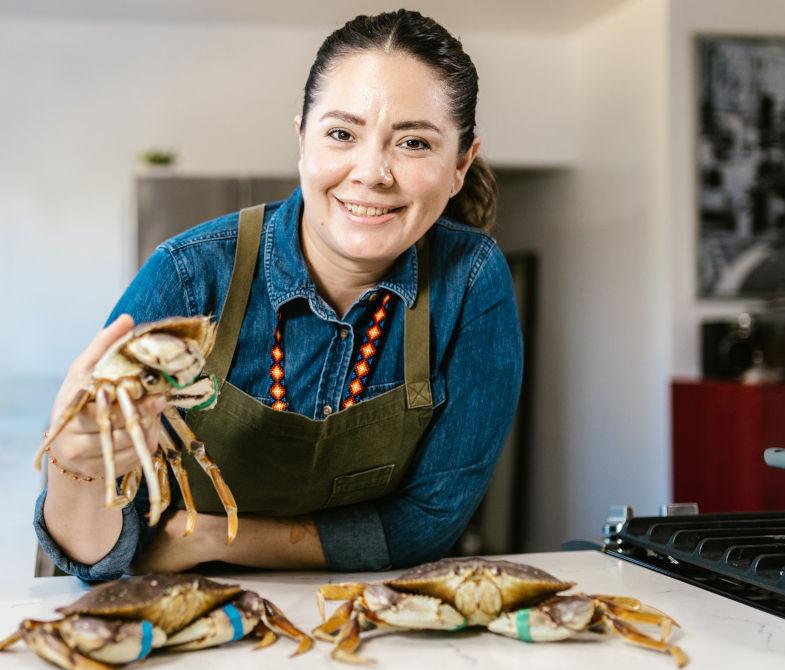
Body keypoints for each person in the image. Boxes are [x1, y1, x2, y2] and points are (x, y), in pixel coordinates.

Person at [34, 9, 523, 581]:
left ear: (460, 163)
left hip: (357, 623)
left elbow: (430, 522)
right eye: (342, 134)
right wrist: (76, 466)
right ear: (301, 139)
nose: (371, 173)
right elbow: (98, 560)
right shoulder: (189, 275)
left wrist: (209, 536)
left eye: (414, 143)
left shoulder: (472, 281)